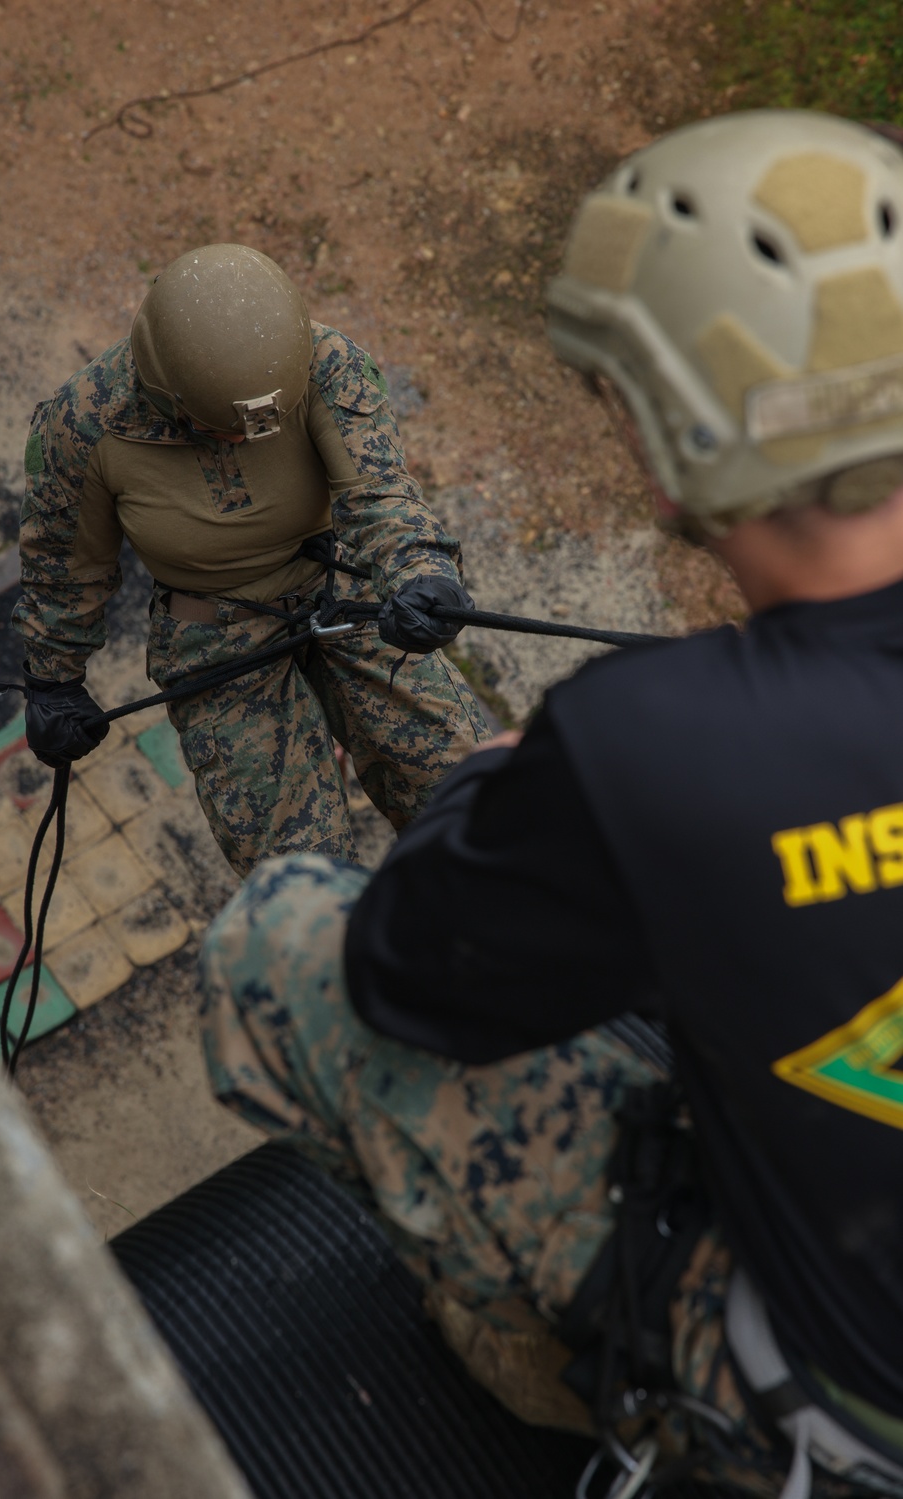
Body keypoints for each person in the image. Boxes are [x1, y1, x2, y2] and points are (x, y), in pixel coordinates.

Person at [196, 111, 903, 1498]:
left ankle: (575, 1368)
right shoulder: (673, 746)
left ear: (659, 444)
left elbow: (409, 971)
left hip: (855, 1405)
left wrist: (503, 782)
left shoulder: (658, 751)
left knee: (279, 937)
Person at [13, 244, 487, 874]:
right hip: (217, 639)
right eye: (224, 430)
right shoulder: (82, 425)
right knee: (297, 878)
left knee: (476, 800)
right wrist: (53, 680)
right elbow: (63, 567)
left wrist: (421, 570)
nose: (245, 442)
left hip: (343, 593)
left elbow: (378, 491)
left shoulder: (325, 362)